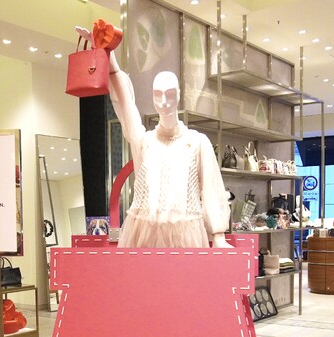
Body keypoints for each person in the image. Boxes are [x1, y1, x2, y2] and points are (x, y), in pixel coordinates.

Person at [79, 23, 230, 248]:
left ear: (179, 95)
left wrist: (218, 235)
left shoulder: (197, 142)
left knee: (183, 274)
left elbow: (211, 189)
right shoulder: (144, 142)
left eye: (170, 94)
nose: (164, 101)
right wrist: (106, 53)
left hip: (186, 237)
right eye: (157, 94)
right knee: (140, 274)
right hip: (143, 235)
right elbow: (125, 105)